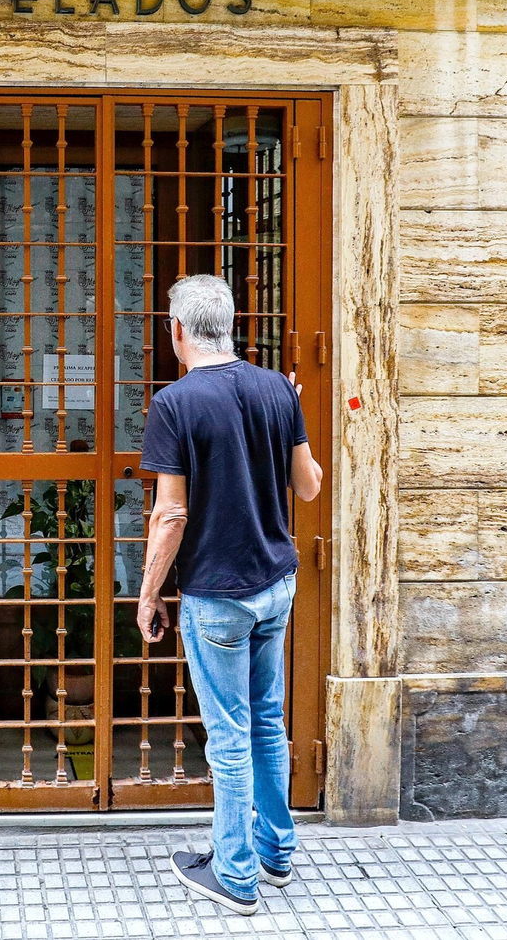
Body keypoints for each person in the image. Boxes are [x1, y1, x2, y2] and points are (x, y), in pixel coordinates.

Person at [135, 274, 324, 916]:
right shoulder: (277, 389)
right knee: (268, 720)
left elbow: (170, 516)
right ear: (232, 324)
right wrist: (288, 418)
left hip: (216, 594)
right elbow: (310, 487)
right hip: (277, 585)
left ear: (178, 332)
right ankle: (276, 852)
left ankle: (236, 875)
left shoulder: (175, 404)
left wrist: (148, 593)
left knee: (230, 733)